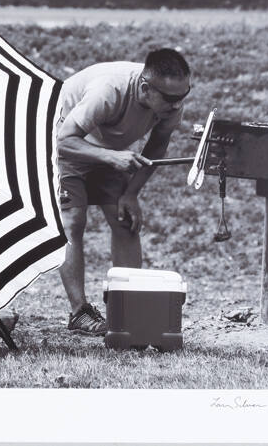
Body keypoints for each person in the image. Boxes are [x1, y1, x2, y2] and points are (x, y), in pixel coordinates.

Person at [56, 48, 191, 334]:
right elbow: (64, 141)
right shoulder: (108, 90)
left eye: (184, 95)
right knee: (73, 220)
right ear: (145, 89)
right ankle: (79, 312)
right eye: (170, 99)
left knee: (125, 221)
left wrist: (131, 193)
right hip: (68, 142)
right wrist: (111, 157)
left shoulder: (171, 105)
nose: (177, 105)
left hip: (107, 148)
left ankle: (128, 309)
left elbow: (157, 146)